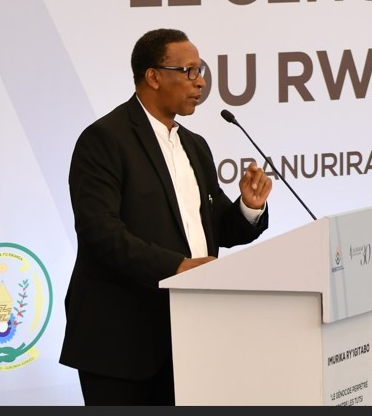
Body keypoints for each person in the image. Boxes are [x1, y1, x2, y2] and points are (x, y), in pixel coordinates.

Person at [60, 28, 274, 405]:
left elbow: (216, 228)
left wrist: (249, 207)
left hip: (191, 336)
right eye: (189, 71)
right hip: (121, 342)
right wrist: (177, 267)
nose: (200, 82)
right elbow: (101, 233)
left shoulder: (195, 145)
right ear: (154, 77)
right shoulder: (104, 140)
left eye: (200, 70)